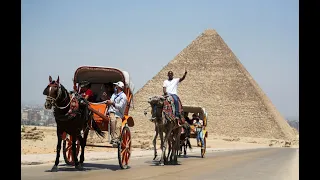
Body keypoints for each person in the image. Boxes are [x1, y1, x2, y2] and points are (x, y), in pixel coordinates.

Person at [106, 81, 127, 146]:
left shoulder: (123, 96)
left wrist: (112, 103)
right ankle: (113, 138)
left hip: (119, 113)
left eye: (116, 86)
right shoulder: (114, 94)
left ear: (119, 87)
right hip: (112, 111)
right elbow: (110, 101)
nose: (115, 87)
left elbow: (120, 106)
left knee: (118, 126)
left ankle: (117, 139)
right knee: (113, 120)